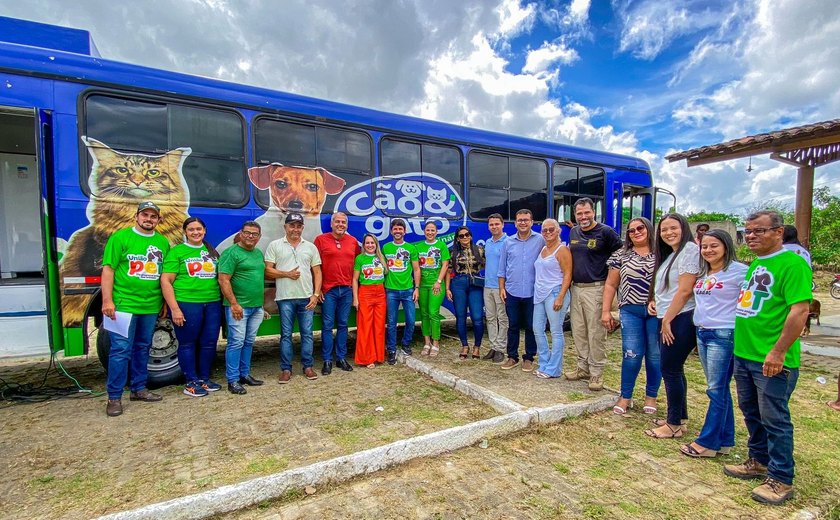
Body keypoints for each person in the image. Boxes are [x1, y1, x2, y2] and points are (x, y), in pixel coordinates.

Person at [724, 210, 810, 505]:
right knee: (751, 412)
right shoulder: (758, 264)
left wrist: (779, 351)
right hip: (745, 353)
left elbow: (799, 311)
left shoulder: (793, 264)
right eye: (747, 231)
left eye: (758, 231)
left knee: (775, 418)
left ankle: (781, 478)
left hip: (771, 359)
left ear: (778, 231)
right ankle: (758, 460)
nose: (750, 236)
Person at [679, 229, 747, 457]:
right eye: (704, 246)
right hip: (704, 333)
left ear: (726, 246)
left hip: (723, 334)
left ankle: (707, 442)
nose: (708, 250)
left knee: (715, 389)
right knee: (719, 389)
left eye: (714, 246)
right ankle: (725, 440)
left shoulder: (740, 272)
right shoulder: (704, 273)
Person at [101, 201, 170, 417]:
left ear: (158, 220)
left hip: (150, 306)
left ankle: (139, 389)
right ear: (137, 217)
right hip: (123, 305)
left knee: (142, 347)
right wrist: (107, 301)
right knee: (121, 350)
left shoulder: (162, 242)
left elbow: (165, 276)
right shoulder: (120, 238)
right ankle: (114, 398)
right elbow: (108, 270)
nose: (148, 219)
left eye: (153, 216)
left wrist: (164, 302)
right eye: (145, 215)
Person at [644, 213, 700, 439]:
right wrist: (655, 302)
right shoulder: (671, 255)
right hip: (667, 316)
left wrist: (667, 319)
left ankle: (674, 424)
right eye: (664, 229)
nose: (668, 233)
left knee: (670, 369)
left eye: (673, 228)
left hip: (680, 318)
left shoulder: (689, 251)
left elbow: (686, 290)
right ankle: (680, 417)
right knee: (674, 368)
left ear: (683, 228)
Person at [602, 217, 660, 415]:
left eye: (640, 228)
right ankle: (625, 396)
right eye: (631, 230)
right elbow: (611, 284)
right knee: (631, 354)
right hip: (630, 311)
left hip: (656, 312)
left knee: (654, 356)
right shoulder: (621, 255)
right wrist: (606, 311)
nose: (636, 232)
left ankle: (651, 396)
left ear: (649, 229)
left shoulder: (663, 253)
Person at [161, 217, 223, 397]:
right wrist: (175, 309)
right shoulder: (178, 252)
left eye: (199, 229)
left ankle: (204, 379)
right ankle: (190, 382)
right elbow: (166, 280)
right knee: (188, 343)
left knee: (209, 342)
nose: (195, 233)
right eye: (191, 230)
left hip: (212, 303)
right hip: (187, 303)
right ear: (185, 232)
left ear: (204, 231)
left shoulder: (211, 252)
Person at [566, 198, 622, 390]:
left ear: (594, 212)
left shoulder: (605, 232)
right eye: (579, 213)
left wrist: (612, 280)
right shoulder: (574, 231)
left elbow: (621, 253)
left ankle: (597, 374)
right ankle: (583, 367)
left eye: (587, 212)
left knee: (596, 333)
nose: (583, 217)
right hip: (576, 288)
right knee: (579, 331)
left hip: (597, 289)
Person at [265, 213, 323, 383]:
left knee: (307, 334)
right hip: (285, 298)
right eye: (292, 225)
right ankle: (285, 369)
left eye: (299, 226)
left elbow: (317, 272)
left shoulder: (310, 247)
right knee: (285, 335)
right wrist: (287, 274)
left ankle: (308, 366)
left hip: (306, 297)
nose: (295, 229)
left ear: (302, 228)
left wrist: (316, 294)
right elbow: (267, 270)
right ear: (285, 227)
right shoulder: (275, 245)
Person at [218, 221, 266, 395]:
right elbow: (223, 279)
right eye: (247, 233)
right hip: (238, 308)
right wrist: (233, 303)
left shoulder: (258, 253)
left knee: (248, 342)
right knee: (236, 343)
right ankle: (233, 380)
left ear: (259, 237)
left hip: (255, 308)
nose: (250, 236)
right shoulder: (231, 253)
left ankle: (245, 375)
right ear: (241, 233)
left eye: (254, 234)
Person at [498, 209, 545, 371]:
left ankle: (529, 358)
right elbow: (502, 268)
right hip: (512, 291)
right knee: (513, 326)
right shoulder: (508, 242)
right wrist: (501, 288)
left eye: (526, 220)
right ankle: (512, 357)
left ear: (532, 222)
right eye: (519, 220)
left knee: (532, 326)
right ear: (515, 223)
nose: (523, 222)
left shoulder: (540, 240)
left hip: (533, 292)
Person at [314, 212, 360, 375]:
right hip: (328, 290)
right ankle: (327, 360)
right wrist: (317, 289)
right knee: (327, 326)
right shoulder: (321, 240)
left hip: (346, 289)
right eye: (337, 222)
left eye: (343, 222)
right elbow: (315, 266)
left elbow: (358, 265)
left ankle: (340, 358)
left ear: (347, 225)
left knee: (342, 325)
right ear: (331, 224)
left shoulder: (353, 241)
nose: (341, 224)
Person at [531, 219, 572, 379]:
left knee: (555, 331)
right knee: (537, 328)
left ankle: (554, 368)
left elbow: (568, 274)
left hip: (555, 293)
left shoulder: (562, 250)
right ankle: (544, 362)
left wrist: (561, 296)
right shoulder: (543, 249)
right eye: (544, 230)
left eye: (551, 230)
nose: (547, 233)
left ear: (558, 231)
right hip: (540, 294)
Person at [446, 226, 486, 360]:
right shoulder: (452, 252)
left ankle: (477, 346)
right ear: (457, 238)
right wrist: (447, 288)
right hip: (458, 283)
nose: (464, 237)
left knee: (477, 317)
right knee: (460, 316)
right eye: (461, 236)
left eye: (467, 234)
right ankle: (464, 345)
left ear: (471, 236)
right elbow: (448, 271)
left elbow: (488, 265)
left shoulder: (479, 250)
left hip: (475, 284)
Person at [383, 218, 420, 362]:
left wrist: (416, 288)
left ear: (404, 231)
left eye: (400, 229)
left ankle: (406, 344)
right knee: (391, 322)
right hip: (390, 290)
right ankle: (391, 349)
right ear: (391, 231)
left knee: (411, 320)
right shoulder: (385, 247)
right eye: (395, 229)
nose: (398, 231)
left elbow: (416, 269)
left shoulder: (411, 248)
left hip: (408, 290)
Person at [415, 220, 450, 356]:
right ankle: (426, 342)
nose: (430, 232)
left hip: (436, 285)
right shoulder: (418, 247)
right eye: (428, 230)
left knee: (433, 312)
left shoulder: (441, 246)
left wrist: (438, 281)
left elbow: (445, 265)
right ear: (424, 231)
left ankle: (436, 343)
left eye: (432, 230)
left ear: (436, 232)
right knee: (423, 314)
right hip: (422, 285)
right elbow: (416, 267)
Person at [353, 234, 388, 368]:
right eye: (367, 243)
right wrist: (355, 298)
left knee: (379, 326)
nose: (370, 245)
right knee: (365, 326)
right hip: (365, 293)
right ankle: (367, 358)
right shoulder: (360, 259)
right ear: (363, 245)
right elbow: (355, 280)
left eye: (372, 243)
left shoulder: (381, 258)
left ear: (376, 244)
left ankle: (379, 356)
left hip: (380, 293)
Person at [482, 213, 508, 363]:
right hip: (488, 286)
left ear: (502, 224)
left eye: (497, 224)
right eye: (491, 224)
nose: (494, 227)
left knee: (503, 318)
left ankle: (500, 349)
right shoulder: (488, 242)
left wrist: (503, 286)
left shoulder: (508, 242)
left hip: (500, 287)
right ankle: (493, 346)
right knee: (490, 318)